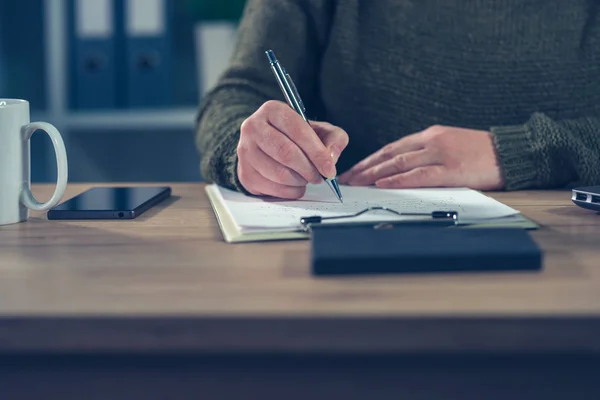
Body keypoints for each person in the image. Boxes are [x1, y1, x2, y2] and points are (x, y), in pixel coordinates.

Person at [195, 0, 600, 200]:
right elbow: (236, 96)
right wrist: (248, 148)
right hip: (345, 246)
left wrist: (514, 153)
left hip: (571, 253)